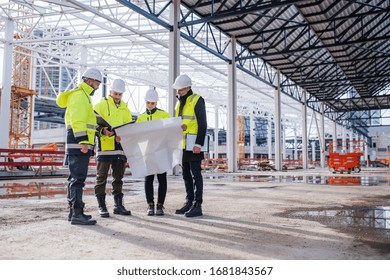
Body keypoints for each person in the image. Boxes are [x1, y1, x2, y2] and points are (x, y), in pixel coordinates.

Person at [56, 68, 102, 225]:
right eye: (97, 83)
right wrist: (83, 141)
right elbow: (77, 121)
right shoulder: (79, 96)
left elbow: (88, 123)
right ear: (89, 81)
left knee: (75, 178)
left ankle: (74, 212)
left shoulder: (84, 96)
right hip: (78, 143)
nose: (97, 86)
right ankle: (76, 214)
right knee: (78, 179)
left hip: (80, 143)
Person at [93, 78, 132, 217]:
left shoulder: (125, 110)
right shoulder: (100, 106)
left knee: (118, 178)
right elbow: (93, 124)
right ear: (110, 91)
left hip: (120, 148)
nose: (117, 97)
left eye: (120, 94)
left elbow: (128, 128)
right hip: (105, 147)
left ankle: (118, 205)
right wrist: (103, 131)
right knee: (101, 177)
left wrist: (123, 135)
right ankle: (102, 206)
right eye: (115, 93)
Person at [172, 74, 207, 217]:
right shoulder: (179, 103)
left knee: (196, 175)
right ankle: (189, 202)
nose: (178, 92)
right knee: (186, 175)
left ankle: (197, 205)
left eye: (179, 89)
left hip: (194, 145)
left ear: (187, 87)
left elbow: (203, 123)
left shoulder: (197, 100)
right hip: (183, 145)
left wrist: (199, 144)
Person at [136, 89, 171, 216]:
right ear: (145, 102)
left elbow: (170, 132)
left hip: (161, 152)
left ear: (156, 103)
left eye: (152, 103)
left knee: (162, 179)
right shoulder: (141, 117)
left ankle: (160, 206)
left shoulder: (164, 115)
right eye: (148, 103)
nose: (150, 105)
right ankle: (150, 205)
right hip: (148, 153)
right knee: (149, 179)